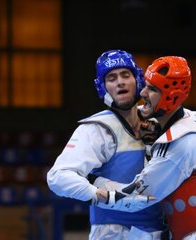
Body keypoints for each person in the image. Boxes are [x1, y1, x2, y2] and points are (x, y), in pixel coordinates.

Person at [95, 56, 196, 240]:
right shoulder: (188, 120)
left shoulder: (180, 143)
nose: (142, 93)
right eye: (145, 85)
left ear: (171, 96)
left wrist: (91, 184)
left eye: (151, 89)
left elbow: (137, 197)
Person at [47, 50, 165, 240]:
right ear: (103, 88)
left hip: (159, 230)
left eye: (126, 75)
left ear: (138, 80)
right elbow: (57, 177)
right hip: (114, 233)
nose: (120, 82)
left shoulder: (159, 120)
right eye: (111, 78)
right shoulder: (97, 129)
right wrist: (101, 195)